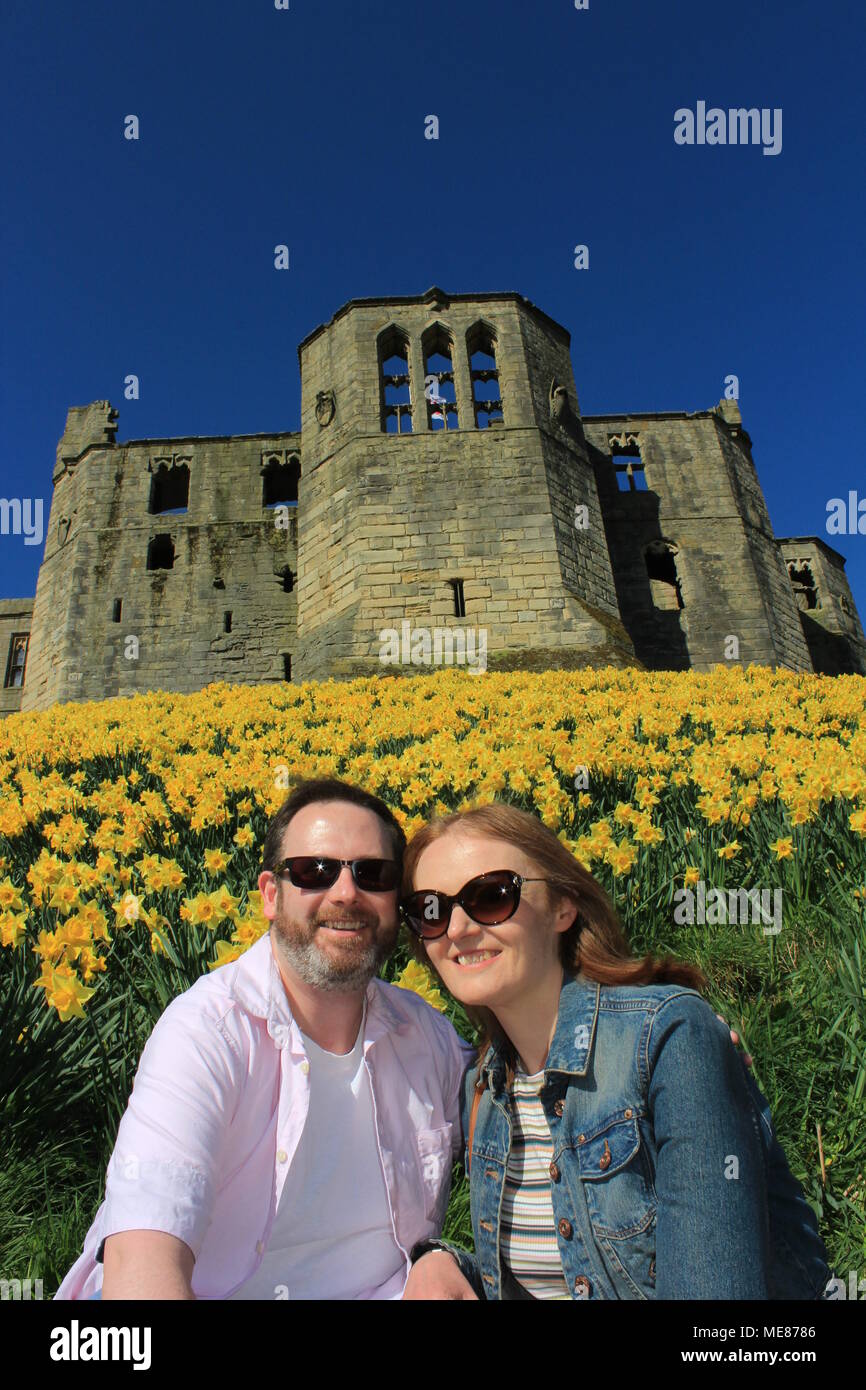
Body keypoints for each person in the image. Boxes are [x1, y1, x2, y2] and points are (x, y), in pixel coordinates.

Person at [54, 778, 474, 1300]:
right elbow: (142, 1263)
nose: (346, 893)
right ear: (271, 896)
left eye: (373, 874)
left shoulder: (426, 1034)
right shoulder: (207, 1033)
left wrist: (439, 1255)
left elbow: (524, 1124)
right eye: (313, 872)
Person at [400, 801, 831, 1300]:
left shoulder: (668, 1039)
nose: (456, 929)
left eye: (491, 896)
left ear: (563, 907)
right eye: (431, 910)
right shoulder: (485, 1087)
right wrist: (441, 1261)